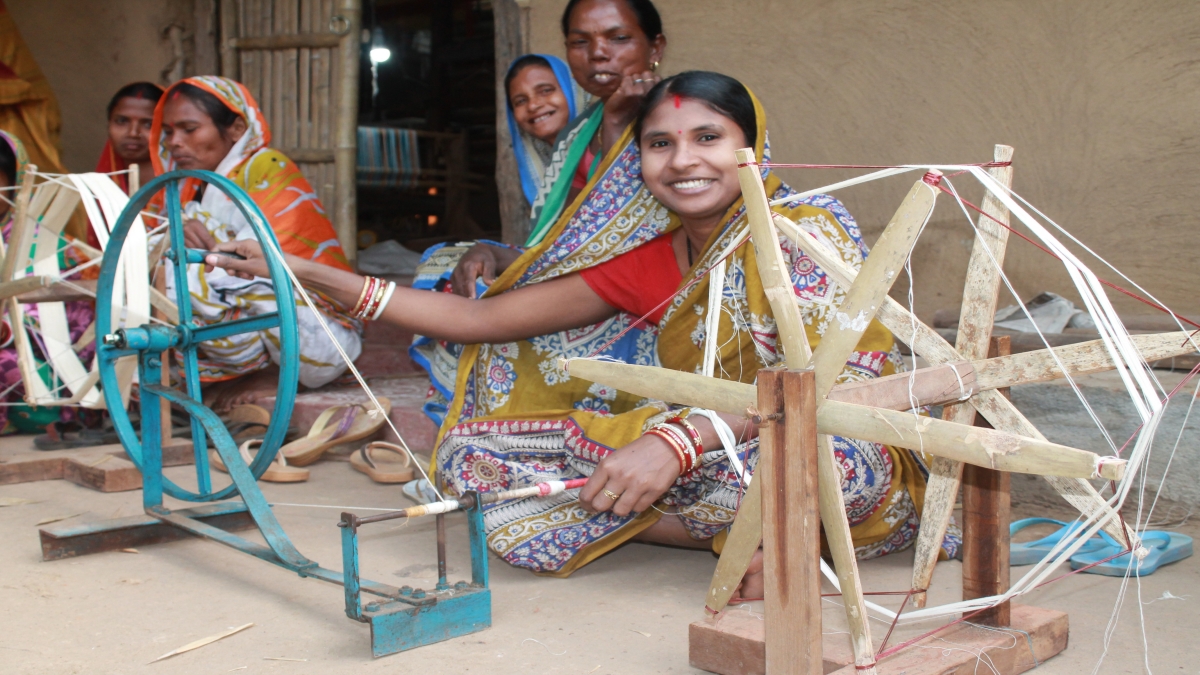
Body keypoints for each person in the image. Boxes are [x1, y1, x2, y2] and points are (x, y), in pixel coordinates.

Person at [207, 72, 958, 597]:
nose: (684, 159)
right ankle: (736, 536)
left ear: (754, 145)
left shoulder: (805, 235)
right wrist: (298, 266)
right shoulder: (655, 257)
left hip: (822, 447)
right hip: (718, 453)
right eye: (660, 143)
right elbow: (477, 320)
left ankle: (777, 528)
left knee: (832, 464)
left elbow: (839, 387)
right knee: (470, 461)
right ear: (640, 163)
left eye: (708, 136)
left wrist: (681, 442)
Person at [149, 76, 361, 412]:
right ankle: (235, 374)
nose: (175, 142)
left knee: (188, 274)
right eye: (169, 132)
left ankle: (278, 372)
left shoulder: (266, 171)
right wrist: (173, 235)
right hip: (253, 307)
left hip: (317, 332)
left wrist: (194, 243)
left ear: (235, 128)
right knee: (162, 269)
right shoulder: (188, 188)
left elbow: (269, 262)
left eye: (189, 129)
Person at [0, 131, 95, 437]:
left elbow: (72, 322)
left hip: (36, 364)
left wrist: (9, 329)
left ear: (16, 184)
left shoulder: (42, 243)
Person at [96, 82, 163, 194]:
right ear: (108, 124)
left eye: (148, 124)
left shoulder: (190, 191)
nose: (133, 133)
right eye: (122, 121)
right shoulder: (95, 191)